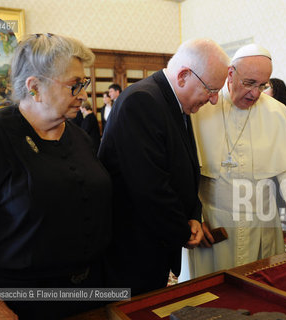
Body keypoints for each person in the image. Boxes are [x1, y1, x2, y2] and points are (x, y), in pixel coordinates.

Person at [0, 33, 113, 320]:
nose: (84, 94)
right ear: (35, 87)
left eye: (83, 83)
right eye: (75, 85)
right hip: (14, 305)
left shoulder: (80, 136)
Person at [98, 38, 230, 295]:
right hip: (133, 247)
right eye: (211, 90)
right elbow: (149, 187)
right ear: (183, 76)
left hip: (153, 240)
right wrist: (183, 230)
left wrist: (193, 214)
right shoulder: (143, 101)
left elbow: (187, 167)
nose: (214, 100)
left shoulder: (173, 100)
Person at [188, 44, 286, 278]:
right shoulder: (202, 108)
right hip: (213, 224)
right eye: (249, 83)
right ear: (230, 74)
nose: (255, 93)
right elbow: (185, 172)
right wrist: (192, 216)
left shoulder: (276, 113)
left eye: (262, 85)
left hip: (261, 227)